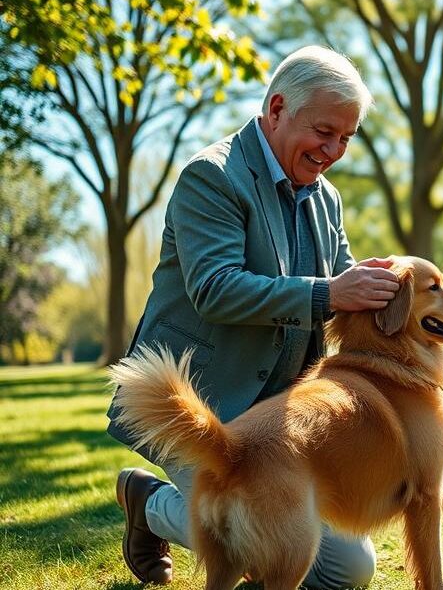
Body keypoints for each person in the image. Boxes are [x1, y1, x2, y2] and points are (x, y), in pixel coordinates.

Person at [106, 46, 400, 588]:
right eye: (324, 131)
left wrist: (393, 291)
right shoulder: (211, 178)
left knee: (348, 570)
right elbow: (215, 289)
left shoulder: (325, 198)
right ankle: (148, 505)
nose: (333, 150)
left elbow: (340, 287)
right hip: (202, 410)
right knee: (259, 545)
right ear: (277, 108)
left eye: (346, 138)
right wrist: (331, 292)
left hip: (280, 430)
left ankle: (160, 506)